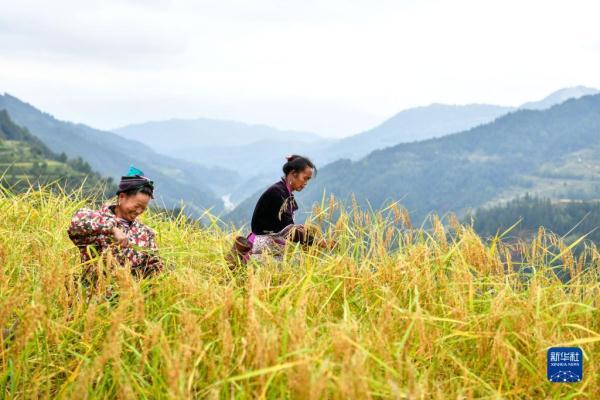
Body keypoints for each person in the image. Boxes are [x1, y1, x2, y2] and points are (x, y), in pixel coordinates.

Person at [227, 155, 329, 267]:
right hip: (261, 252)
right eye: (305, 178)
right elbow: (290, 231)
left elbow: (283, 226)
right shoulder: (277, 194)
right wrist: (319, 242)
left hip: (271, 252)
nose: (306, 183)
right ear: (294, 173)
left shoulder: (284, 193)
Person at [67, 166, 163, 278]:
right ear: (122, 197)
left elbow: (154, 268)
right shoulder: (97, 220)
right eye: (137, 206)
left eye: (143, 208)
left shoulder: (144, 233)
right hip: (95, 293)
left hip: (128, 293)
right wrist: (112, 229)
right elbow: (77, 221)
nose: (139, 211)